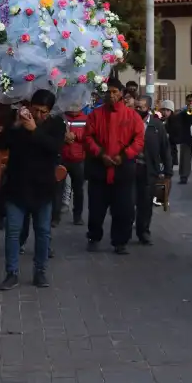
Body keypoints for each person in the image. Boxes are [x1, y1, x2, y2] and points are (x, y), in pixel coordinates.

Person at [0, 89, 66, 290]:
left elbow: (54, 147)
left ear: (50, 112)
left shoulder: (56, 125)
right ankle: (11, 272)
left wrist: (35, 130)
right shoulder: (17, 121)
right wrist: (16, 125)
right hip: (17, 187)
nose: (38, 115)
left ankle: (40, 271)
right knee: (13, 232)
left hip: (43, 188)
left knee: (43, 232)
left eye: (43, 112)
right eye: (36, 110)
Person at [83, 78, 145, 255]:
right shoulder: (95, 115)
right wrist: (101, 154)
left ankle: (120, 241)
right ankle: (94, 237)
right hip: (99, 169)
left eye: (115, 92)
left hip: (123, 169)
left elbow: (139, 140)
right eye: (108, 92)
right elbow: (88, 137)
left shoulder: (132, 116)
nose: (111, 95)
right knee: (96, 208)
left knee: (124, 209)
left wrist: (124, 155)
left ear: (121, 93)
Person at [134, 95, 172, 245]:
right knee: (128, 202)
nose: (137, 109)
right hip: (130, 167)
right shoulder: (128, 122)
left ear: (148, 108)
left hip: (149, 169)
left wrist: (168, 171)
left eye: (141, 107)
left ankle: (143, 231)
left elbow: (165, 149)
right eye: (136, 106)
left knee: (146, 203)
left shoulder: (157, 125)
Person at [61, 102, 88, 225]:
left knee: (78, 190)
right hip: (63, 157)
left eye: (76, 105)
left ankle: (78, 216)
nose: (73, 107)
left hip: (79, 159)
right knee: (57, 188)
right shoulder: (61, 117)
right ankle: (55, 216)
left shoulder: (85, 119)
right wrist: (64, 136)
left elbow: (89, 135)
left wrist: (76, 135)